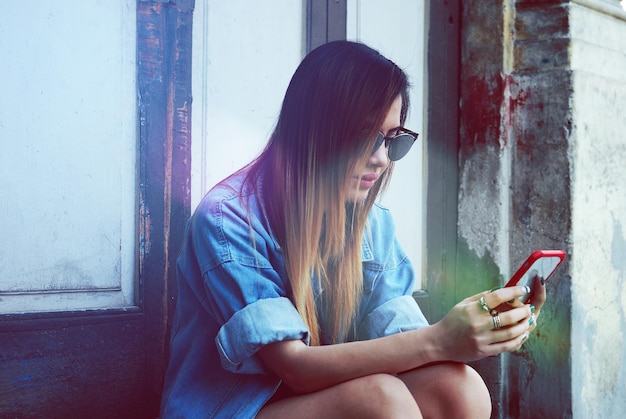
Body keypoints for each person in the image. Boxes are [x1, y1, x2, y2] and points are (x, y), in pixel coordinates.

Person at [160, 40, 543, 418]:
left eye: (393, 140)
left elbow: (402, 341)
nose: (381, 160)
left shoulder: (373, 223)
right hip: (235, 409)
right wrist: (441, 339)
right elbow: (293, 366)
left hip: (317, 400)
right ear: (313, 129)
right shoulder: (228, 218)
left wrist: (488, 328)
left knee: (461, 389)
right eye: (364, 136)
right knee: (380, 400)